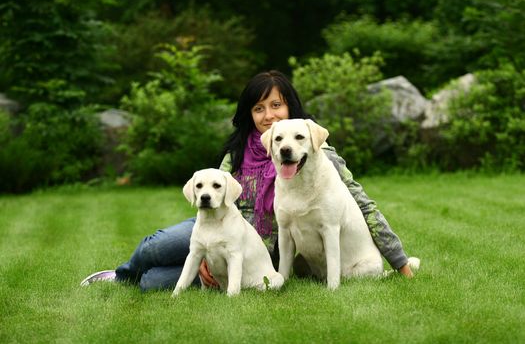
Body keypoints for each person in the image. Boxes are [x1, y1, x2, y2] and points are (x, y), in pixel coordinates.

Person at [80, 70, 417, 291]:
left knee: (154, 283)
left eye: (276, 105)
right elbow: (212, 192)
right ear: (249, 114)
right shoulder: (238, 153)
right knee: (158, 246)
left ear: (291, 109)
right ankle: (121, 273)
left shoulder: (317, 152)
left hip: (254, 258)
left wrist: (399, 262)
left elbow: (362, 204)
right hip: (217, 226)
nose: (268, 116)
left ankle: (139, 281)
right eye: (259, 108)